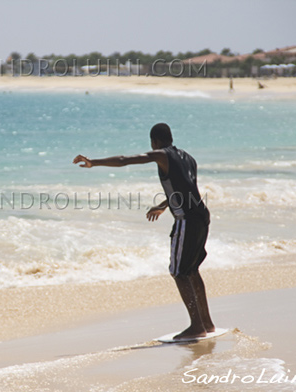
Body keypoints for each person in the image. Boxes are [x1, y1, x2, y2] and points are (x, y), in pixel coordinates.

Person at [73, 123, 214, 340]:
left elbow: (124, 160)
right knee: (192, 270)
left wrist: (94, 162)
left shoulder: (161, 155)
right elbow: (187, 188)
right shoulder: (189, 158)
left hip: (187, 219)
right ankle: (207, 323)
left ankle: (197, 326)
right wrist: (164, 205)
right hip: (202, 216)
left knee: (178, 272)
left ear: (154, 141)